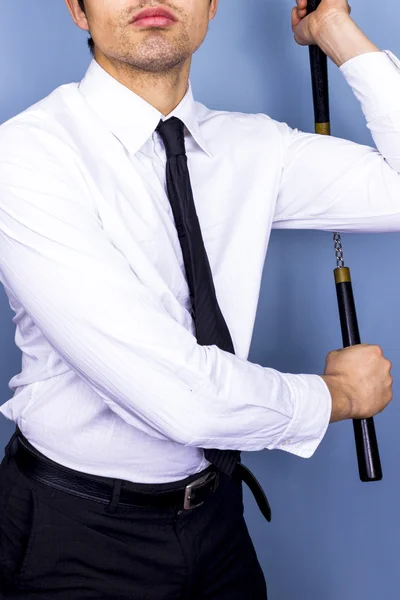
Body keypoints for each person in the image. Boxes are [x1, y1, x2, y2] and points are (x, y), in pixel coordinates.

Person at [0, 0, 396, 598]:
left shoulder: (253, 148)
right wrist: (335, 396)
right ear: (78, 11)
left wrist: (335, 32)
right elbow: (178, 397)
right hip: (74, 535)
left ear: (211, 8)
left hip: (215, 521)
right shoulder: (26, 160)